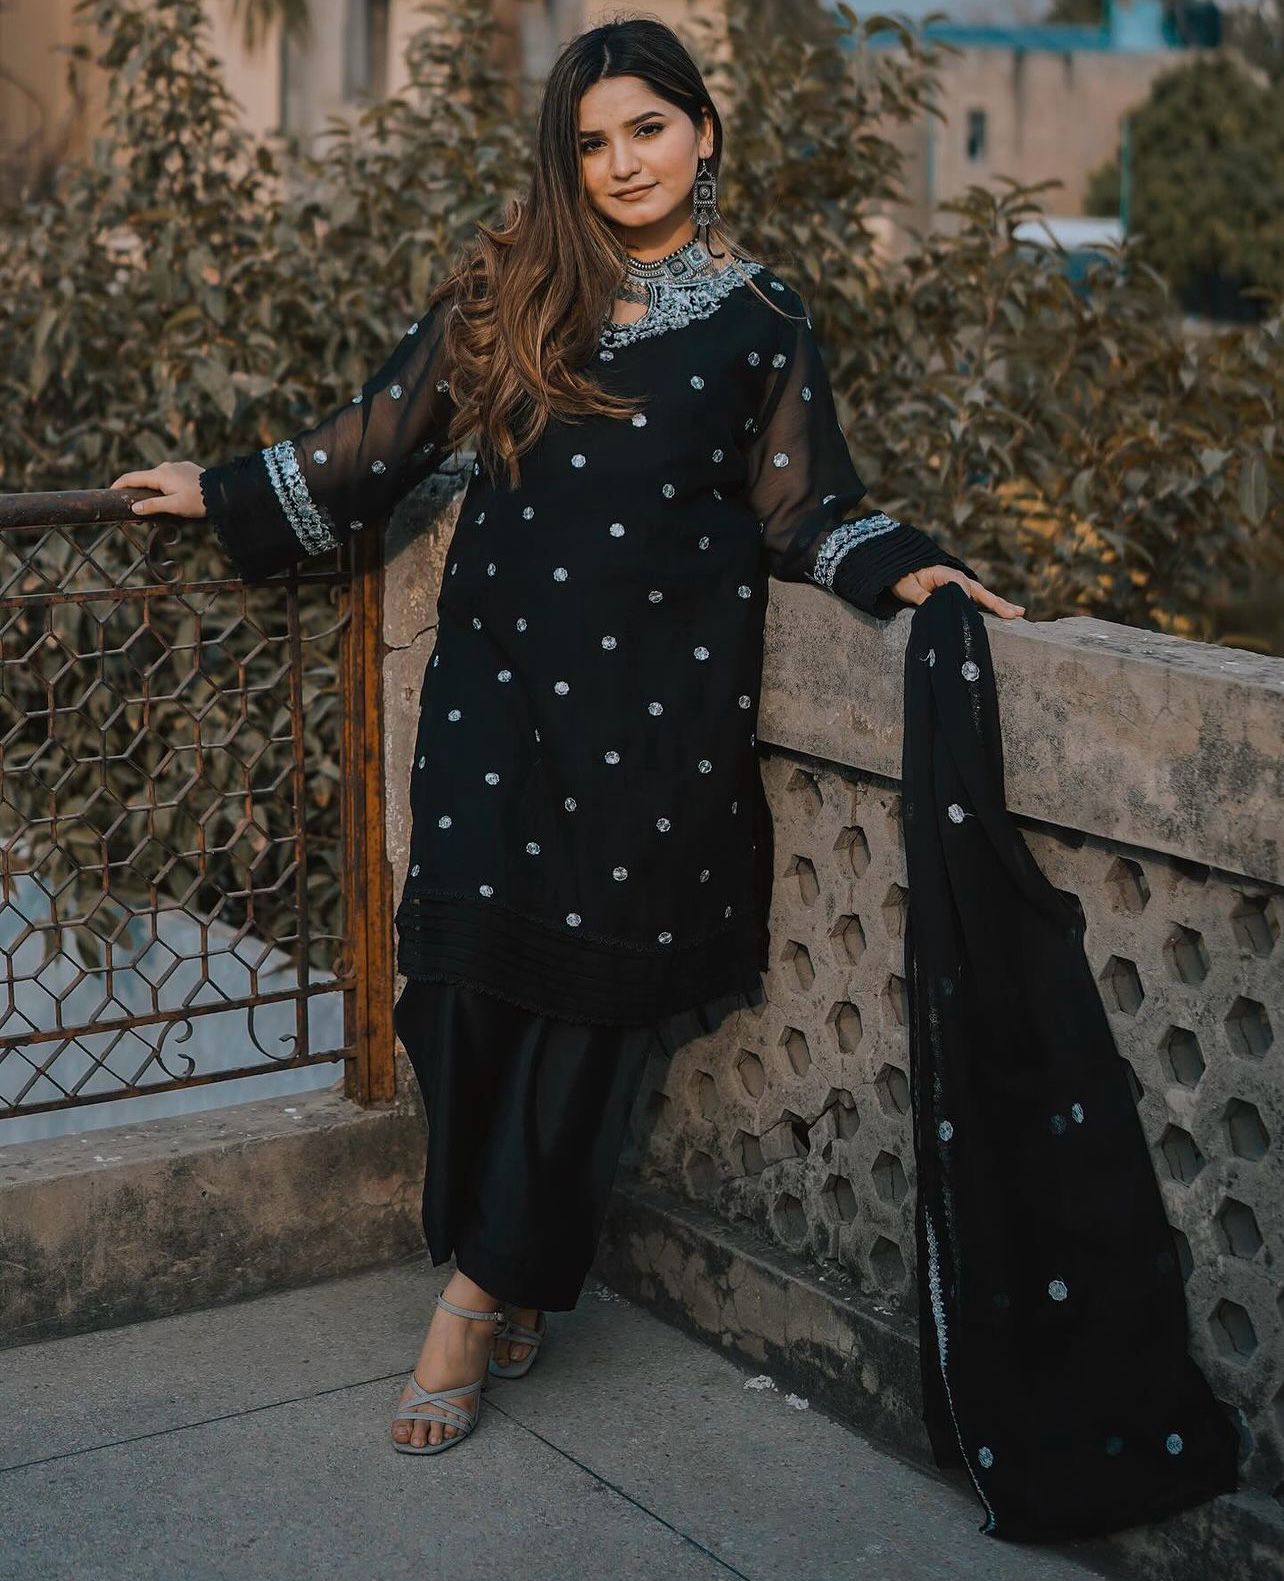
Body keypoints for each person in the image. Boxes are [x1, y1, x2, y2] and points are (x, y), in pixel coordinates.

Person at [110, 18, 1024, 1458]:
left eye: (647, 130)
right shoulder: (516, 290)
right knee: (459, 985)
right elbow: (385, 438)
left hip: (654, 721)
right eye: (593, 143)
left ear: (703, 133)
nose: (622, 164)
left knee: (584, 1013)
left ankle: (476, 1299)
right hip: (496, 696)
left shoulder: (764, 318)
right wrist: (222, 489)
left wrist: (904, 565)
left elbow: (799, 506)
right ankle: (517, 1257)